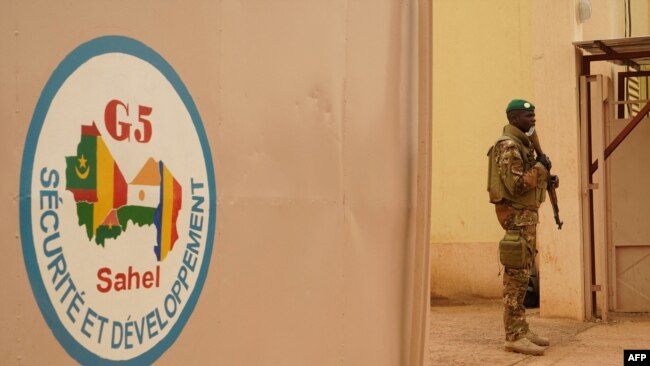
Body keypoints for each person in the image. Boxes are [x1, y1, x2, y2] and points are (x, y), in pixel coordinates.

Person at [487, 99, 551, 356]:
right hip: (516, 219)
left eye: (534, 115)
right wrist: (540, 167)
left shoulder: (522, 145)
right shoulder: (509, 146)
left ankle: (521, 329)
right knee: (515, 279)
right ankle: (513, 336)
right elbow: (516, 186)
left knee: (523, 276)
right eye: (528, 116)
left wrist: (545, 174)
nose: (533, 119)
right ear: (513, 119)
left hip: (525, 219)